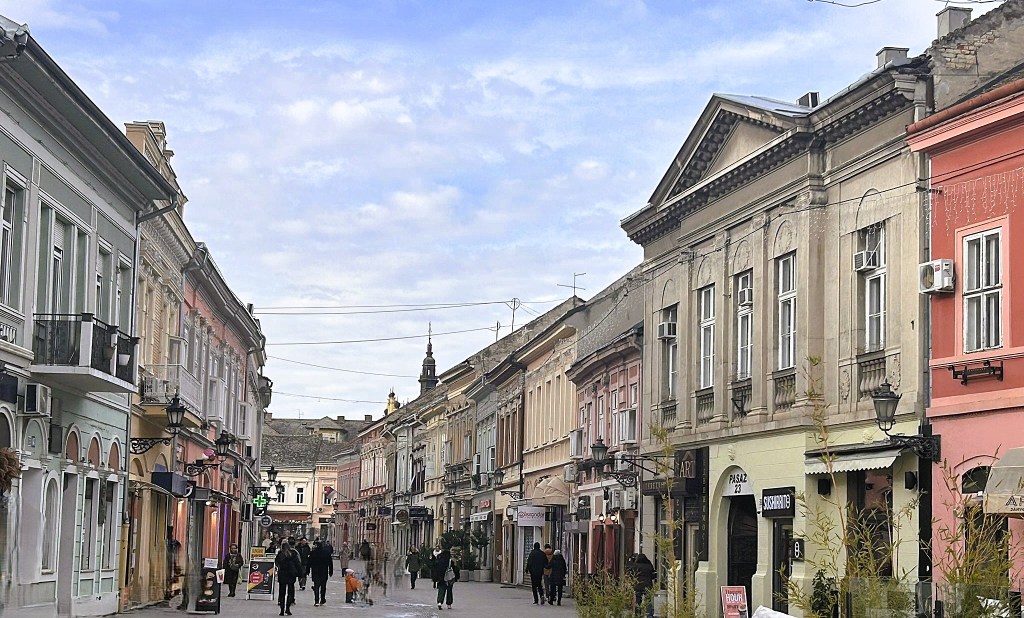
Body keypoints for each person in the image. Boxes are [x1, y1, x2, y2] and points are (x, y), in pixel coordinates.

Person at [274, 541, 303, 616]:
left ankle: (282, 610)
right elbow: (298, 564)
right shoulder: (293, 554)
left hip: (282, 575)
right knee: (290, 593)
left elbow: (276, 563)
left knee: (282, 593)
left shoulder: (280, 555)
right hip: (291, 575)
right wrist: (300, 574)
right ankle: (288, 609)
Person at [306, 540, 333, 607]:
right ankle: (322, 599)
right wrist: (330, 571)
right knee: (323, 586)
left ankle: (316, 600)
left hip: (315, 571)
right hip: (324, 571)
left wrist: (307, 570)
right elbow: (330, 562)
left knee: (316, 586)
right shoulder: (326, 553)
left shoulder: (313, 553)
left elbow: (309, 562)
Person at [430, 545, 459, 610]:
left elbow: (435, 568)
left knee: (441, 590)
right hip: (449, 578)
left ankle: (439, 602)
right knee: (449, 591)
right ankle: (449, 604)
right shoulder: (450, 561)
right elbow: (455, 569)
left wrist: (435, 578)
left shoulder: (439, 560)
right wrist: (456, 577)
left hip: (441, 578)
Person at [628, 553, 656, 617]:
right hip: (648, 585)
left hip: (638, 585)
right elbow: (653, 575)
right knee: (648, 600)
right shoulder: (649, 565)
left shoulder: (636, 565)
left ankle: (638, 614)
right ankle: (649, 614)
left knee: (638, 600)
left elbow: (631, 574)